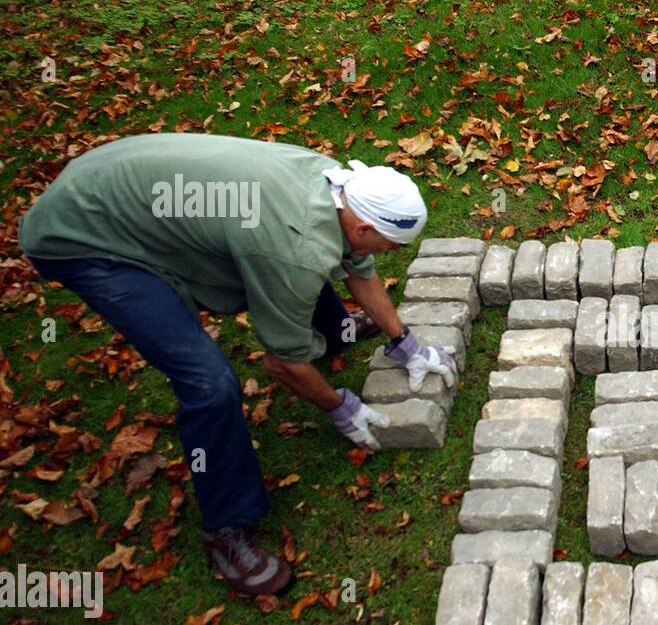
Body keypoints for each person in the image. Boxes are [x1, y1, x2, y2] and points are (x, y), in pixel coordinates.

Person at [19, 133, 457, 596]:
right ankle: (226, 527)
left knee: (292, 268)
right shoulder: (296, 243)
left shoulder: (339, 188)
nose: (390, 256)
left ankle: (331, 333)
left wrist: (402, 341)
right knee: (209, 383)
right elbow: (281, 362)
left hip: (121, 184)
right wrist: (339, 406)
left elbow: (355, 263)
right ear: (363, 227)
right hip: (84, 234)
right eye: (390, 246)